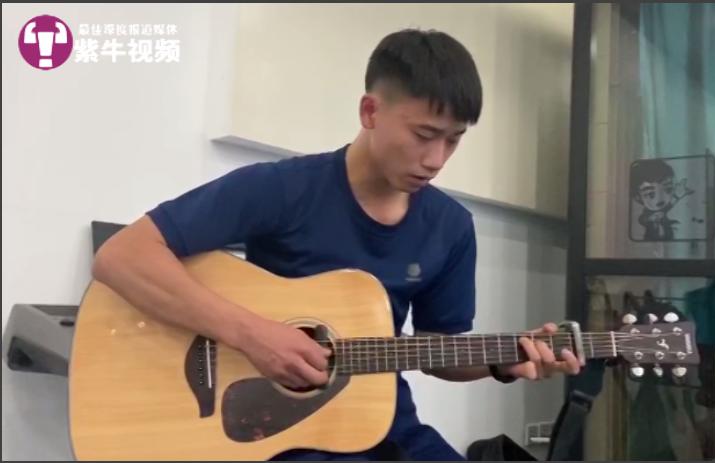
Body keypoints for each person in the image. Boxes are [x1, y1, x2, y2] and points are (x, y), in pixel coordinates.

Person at [92, 28, 582, 461]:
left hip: (383, 426)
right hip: (275, 434)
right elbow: (121, 256)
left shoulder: (450, 227)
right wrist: (252, 335)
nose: (436, 159)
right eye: (424, 134)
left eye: (453, 140)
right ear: (370, 111)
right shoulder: (282, 189)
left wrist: (502, 360)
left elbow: (442, 353)